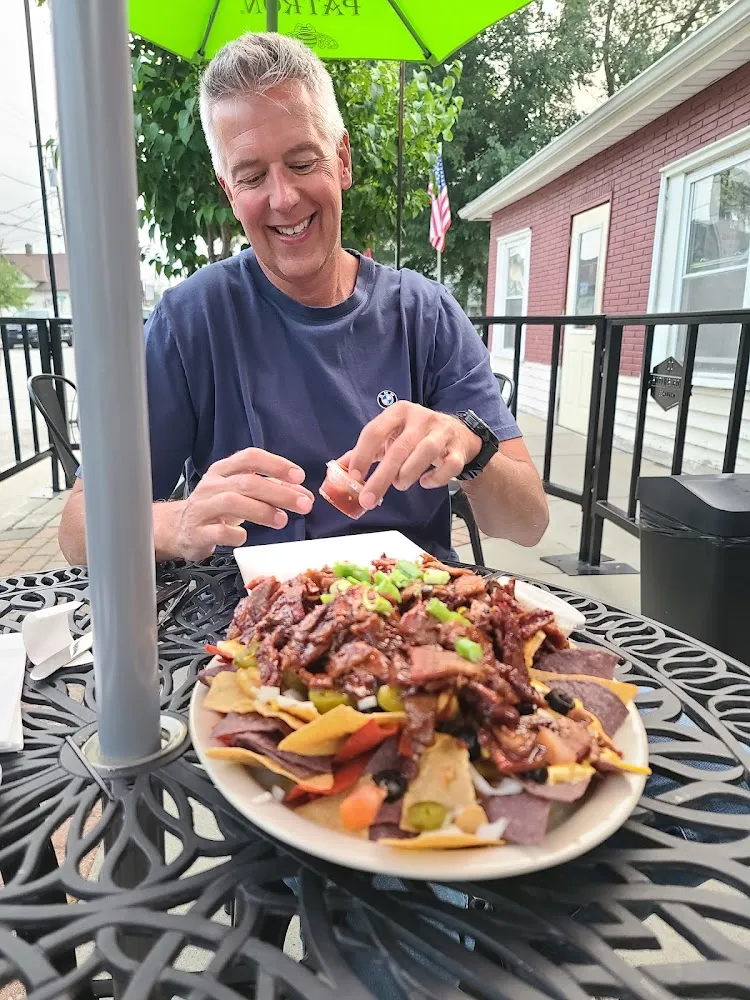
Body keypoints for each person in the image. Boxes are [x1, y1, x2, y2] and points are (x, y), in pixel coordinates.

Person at [58, 33, 548, 567]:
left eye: (301, 162)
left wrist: (471, 450)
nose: (284, 198)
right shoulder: (191, 320)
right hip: (247, 625)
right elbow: (78, 529)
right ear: (229, 191)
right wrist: (176, 522)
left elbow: (527, 523)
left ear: (341, 161)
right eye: (251, 176)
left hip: (411, 624)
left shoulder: (425, 314)